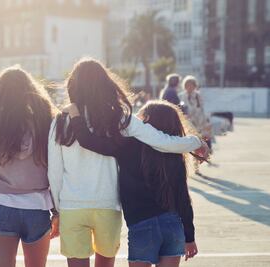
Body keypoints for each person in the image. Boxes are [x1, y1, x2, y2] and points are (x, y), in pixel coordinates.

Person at [47, 58, 208, 267]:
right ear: (106, 84)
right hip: (107, 204)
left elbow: (54, 172)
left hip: (72, 205)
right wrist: (196, 142)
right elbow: (162, 142)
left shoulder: (60, 121)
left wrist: (59, 209)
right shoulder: (122, 119)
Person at [65, 100, 199, 267]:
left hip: (142, 225)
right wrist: (189, 237)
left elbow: (87, 140)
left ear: (147, 120)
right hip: (173, 225)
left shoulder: (127, 146)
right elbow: (183, 199)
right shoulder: (175, 155)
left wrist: (75, 114)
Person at [0, 66, 59, 267]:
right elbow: (55, 169)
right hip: (37, 207)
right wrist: (58, 211)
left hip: (2, 206)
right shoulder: (44, 122)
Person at [179, 75, 213, 172]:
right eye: (187, 85)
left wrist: (207, 122)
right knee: (187, 143)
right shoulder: (181, 96)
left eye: (191, 85)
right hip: (187, 123)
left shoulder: (198, 96)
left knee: (197, 143)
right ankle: (187, 163)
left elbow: (203, 109)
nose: (189, 87)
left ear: (194, 86)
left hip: (199, 123)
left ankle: (196, 165)